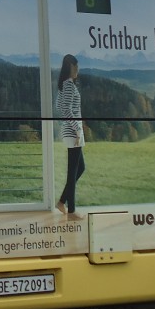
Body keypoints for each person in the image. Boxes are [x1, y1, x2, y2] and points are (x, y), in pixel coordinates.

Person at [55, 55, 85, 217]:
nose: (77, 70)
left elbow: (59, 105)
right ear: (70, 67)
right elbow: (66, 109)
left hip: (71, 131)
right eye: (75, 67)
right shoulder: (68, 85)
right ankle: (72, 211)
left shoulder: (65, 85)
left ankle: (61, 201)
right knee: (73, 171)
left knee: (80, 168)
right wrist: (77, 130)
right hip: (73, 132)